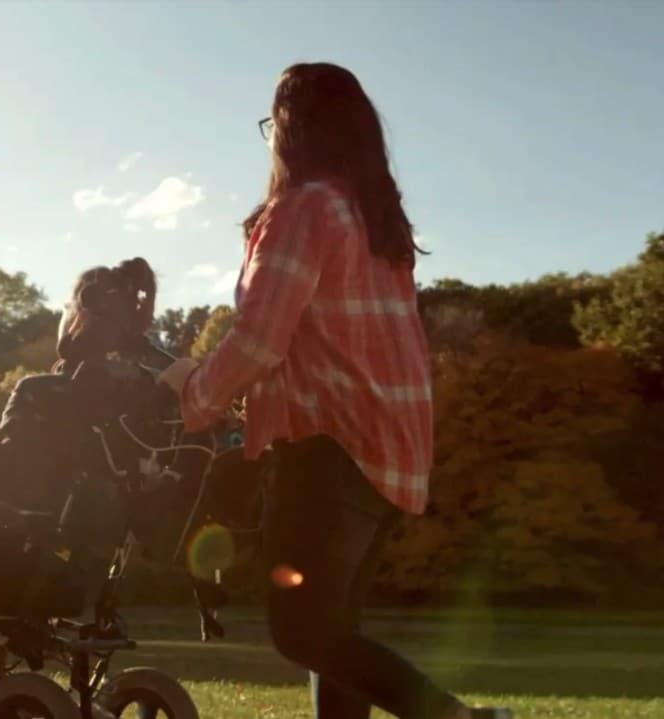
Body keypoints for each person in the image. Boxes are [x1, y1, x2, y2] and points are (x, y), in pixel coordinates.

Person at [158, 62, 512, 719]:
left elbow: (260, 341)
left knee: (301, 631)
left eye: (271, 125)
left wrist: (194, 391)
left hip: (329, 447)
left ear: (290, 128)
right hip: (389, 454)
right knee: (334, 633)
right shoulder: (378, 226)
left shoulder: (304, 208)